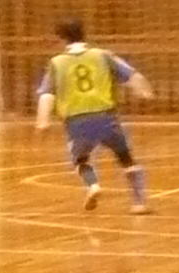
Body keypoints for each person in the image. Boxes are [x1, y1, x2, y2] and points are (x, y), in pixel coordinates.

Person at [35, 17, 155, 214]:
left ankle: (93, 185)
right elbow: (133, 75)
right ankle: (139, 203)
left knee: (81, 160)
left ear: (61, 38)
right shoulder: (102, 55)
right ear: (84, 34)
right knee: (126, 159)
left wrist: (43, 122)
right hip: (106, 117)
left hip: (77, 121)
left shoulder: (56, 63)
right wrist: (145, 92)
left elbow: (47, 94)